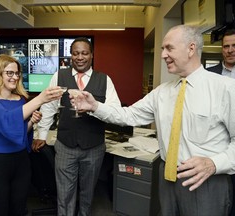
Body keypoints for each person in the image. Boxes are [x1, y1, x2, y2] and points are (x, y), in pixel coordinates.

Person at [73, 25, 235, 216]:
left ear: (191, 49)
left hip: (207, 182)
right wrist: (95, 107)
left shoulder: (225, 88)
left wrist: (214, 163)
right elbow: (129, 115)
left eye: (169, 48)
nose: (163, 55)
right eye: (162, 49)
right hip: (167, 178)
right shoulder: (162, 92)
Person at [35, 37, 121, 216]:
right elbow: (48, 106)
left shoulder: (105, 80)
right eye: (75, 53)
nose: (79, 57)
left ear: (91, 55)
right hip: (66, 145)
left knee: (87, 193)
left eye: (84, 53)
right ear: (70, 56)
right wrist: (41, 135)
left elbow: (115, 112)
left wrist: (94, 108)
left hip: (94, 147)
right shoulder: (59, 76)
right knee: (64, 195)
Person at [0, 54, 63, 216]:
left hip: (20, 162)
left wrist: (30, 123)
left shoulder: (20, 100)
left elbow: (19, 133)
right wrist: (40, 100)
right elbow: (6, 122)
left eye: (17, 73)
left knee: (18, 209)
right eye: (10, 73)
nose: (15, 77)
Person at [206, 28, 235, 216]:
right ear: (221, 49)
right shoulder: (209, 75)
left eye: (234, 46)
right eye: (226, 46)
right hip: (217, 145)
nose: (230, 50)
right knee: (219, 197)